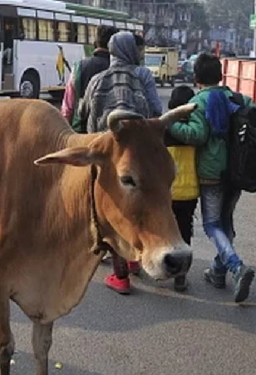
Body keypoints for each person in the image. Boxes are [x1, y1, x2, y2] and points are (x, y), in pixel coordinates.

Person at [168, 53, 256, 303]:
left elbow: (197, 135)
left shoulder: (200, 101)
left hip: (212, 173)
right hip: (238, 171)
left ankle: (236, 266)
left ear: (197, 77)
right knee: (226, 221)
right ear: (220, 75)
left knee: (212, 225)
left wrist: (170, 125)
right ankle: (217, 272)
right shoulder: (238, 98)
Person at [79, 31, 162, 294]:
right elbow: (156, 111)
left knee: (114, 211)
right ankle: (138, 254)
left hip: (107, 154)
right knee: (140, 205)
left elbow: (83, 113)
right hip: (138, 156)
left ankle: (121, 277)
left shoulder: (96, 79)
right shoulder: (142, 75)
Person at [164, 85, 200, 292]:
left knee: (164, 232)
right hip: (189, 192)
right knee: (184, 233)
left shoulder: (164, 130)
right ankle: (181, 277)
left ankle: (163, 268)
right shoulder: (195, 132)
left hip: (167, 192)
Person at [61, 25, 119, 133]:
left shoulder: (79, 67)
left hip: (81, 135)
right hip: (112, 137)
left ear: (95, 43)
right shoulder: (121, 69)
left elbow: (68, 108)